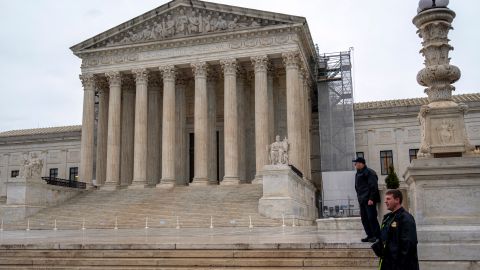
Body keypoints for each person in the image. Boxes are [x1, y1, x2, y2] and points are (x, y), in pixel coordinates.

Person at [372, 189, 419, 270]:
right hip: (387, 263)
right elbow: (384, 237)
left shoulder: (406, 218)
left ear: (397, 200)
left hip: (400, 266)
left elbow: (409, 245)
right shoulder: (387, 218)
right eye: (385, 199)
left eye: (388, 199)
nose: (385, 201)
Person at [353, 157, 381, 242]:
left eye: (356, 163)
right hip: (362, 200)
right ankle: (370, 235)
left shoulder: (369, 172)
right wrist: (359, 199)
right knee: (364, 219)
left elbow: (373, 186)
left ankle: (377, 236)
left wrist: (371, 198)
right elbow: (357, 187)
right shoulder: (358, 173)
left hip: (369, 200)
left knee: (371, 218)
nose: (355, 165)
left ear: (362, 163)